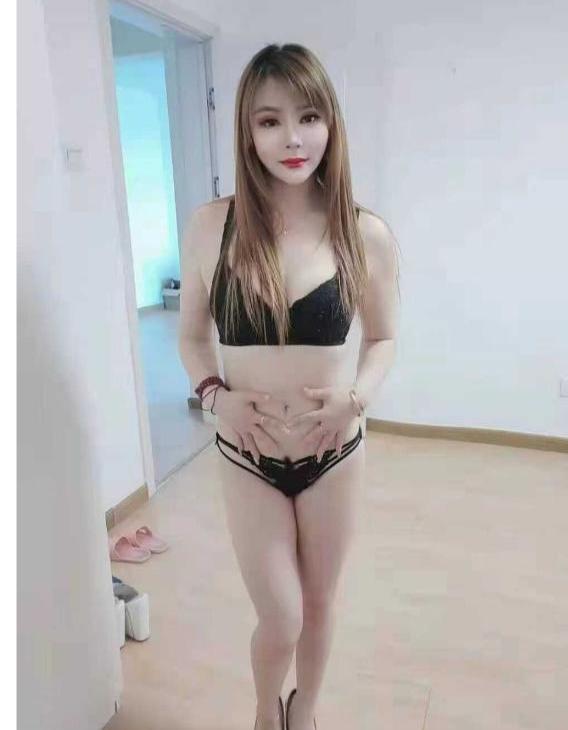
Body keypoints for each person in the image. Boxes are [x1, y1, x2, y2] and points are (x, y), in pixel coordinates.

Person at [178, 43, 400, 730]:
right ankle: (263, 711)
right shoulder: (212, 226)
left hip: (334, 450)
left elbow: (383, 339)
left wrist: (356, 399)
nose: (292, 139)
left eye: (308, 117)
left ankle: (305, 711)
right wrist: (215, 396)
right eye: (269, 121)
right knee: (281, 615)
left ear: (330, 123)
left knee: (321, 603)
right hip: (248, 453)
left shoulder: (363, 232)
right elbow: (190, 337)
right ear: (247, 132)